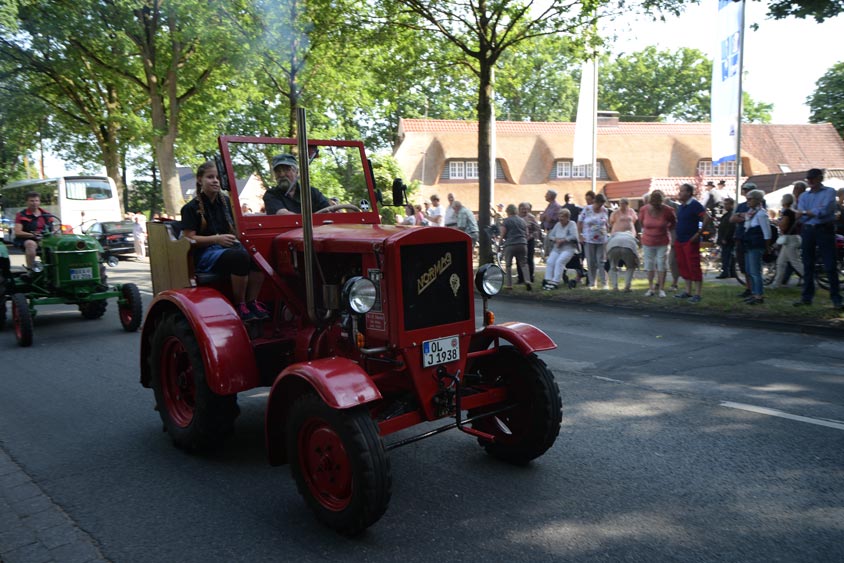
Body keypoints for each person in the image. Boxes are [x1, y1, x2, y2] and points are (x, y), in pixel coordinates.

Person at [181, 161, 269, 322]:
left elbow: (234, 229)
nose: (215, 181)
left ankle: (252, 302)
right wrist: (216, 239)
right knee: (239, 257)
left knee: (258, 255)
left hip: (226, 248)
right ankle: (240, 305)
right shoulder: (190, 208)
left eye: (218, 177)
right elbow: (189, 239)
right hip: (204, 254)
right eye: (210, 177)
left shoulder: (226, 203)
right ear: (200, 180)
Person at [794, 168, 842, 309]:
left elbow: (824, 211)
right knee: (807, 264)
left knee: (830, 265)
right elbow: (801, 215)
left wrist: (806, 213)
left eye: (812, 178)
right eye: (808, 178)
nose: (810, 181)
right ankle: (806, 297)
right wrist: (809, 213)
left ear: (820, 179)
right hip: (808, 230)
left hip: (824, 229)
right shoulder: (804, 196)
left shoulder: (829, 192)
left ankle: (836, 299)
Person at [673, 183, 711, 303]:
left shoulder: (695, 204)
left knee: (693, 265)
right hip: (680, 240)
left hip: (690, 240)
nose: (680, 193)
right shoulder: (681, 206)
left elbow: (707, 217)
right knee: (683, 265)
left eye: (682, 191)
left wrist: (699, 233)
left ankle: (697, 293)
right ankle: (687, 291)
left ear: (689, 192)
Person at [736, 189, 772, 305]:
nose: (748, 201)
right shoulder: (751, 213)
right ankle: (753, 293)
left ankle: (759, 295)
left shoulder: (761, 214)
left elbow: (767, 232)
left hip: (756, 245)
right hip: (749, 244)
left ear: (757, 200)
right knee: (749, 270)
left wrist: (767, 247)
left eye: (750, 199)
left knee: (755, 271)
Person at [263, 153, 330, 215]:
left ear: (296, 172)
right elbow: (283, 215)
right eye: (278, 171)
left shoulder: (312, 193)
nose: (282, 174)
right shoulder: (271, 194)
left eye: (286, 169)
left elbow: (329, 211)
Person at [638, 190, 676, 297]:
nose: (655, 206)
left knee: (661, 264)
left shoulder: (668, 210)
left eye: (658, 204)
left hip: (662, 241)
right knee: (649, 264)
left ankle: (661, 289)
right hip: (647, 241)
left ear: (661, 202)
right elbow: (641, 223)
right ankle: (651, 288)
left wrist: (669, 232)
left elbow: (673, 223)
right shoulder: (644, 209)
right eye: (653, 204)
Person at [14, 191, 58, 269]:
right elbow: (17, 232)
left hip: (45, 239)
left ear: (39, 202)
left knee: (61, 244)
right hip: (29, 239)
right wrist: (33, 235)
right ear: (27, 202)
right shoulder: (21, 215)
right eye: (32, 201)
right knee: (30, 244)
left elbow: (53, 230)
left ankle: (57, 269)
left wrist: (54, 232)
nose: (34, 203)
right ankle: (31, 270)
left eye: (36, 201)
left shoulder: (46, 214)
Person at [577, 192, 610, 289]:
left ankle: (605, 283)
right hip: (589, 239)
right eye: (599, 204)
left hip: (602, 239)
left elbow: (606, 223)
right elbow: (579, 223)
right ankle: (592, 283)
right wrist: (580, 235)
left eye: (602, 204)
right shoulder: (587, 209)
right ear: (595, 201)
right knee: (591, 262)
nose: (600, 206)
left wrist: (608, 231)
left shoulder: (605, 210)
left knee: (601, 261)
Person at [542, 208, 578, 290]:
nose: (560, 219)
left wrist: (563, 240)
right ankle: (548, 280)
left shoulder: (572, 224)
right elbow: (551, 235)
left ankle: (555, 281)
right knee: (550, 261)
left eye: (562, 217)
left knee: (559, 261)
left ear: (567, 217)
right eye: (559, 217)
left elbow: (574, 236)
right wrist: (556, 239)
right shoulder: (558, 225)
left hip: (568, 248)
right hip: (557, 248)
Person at [772, 193, 803, 287]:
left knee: (795, 262)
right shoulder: (793, 211)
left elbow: (783, 226)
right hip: (793, 238)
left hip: (790, 240)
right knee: (781, 262)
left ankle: (810, 280)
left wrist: (776, 222)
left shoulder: (787, 212)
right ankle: (776, 283)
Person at [500, 204, 531, 291]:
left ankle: (509, 284)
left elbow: (502, 234)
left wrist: (499, 245)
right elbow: (527, 233)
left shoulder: (506, 221)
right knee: (524, 263)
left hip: (510, 244)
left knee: (508, 265)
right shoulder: (522, 221)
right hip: (522, 243)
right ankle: (527, 280)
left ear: (508, 212)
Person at [517, 202, 540, 284]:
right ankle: (521, 278)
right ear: (519, 209)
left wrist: (531, 236)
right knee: (519, 259)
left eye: (527, 209)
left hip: (529, 240)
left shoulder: (531, 217)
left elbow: (537, 229)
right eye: (523, 209)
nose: (525, 211)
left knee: (529, 259)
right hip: (519, 241)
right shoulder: (516, 217)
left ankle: (530, 277)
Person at [715, 197, 736, 279]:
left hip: (728, 239)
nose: (725, 206)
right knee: (729, 256)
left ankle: (726, 272)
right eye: (724, 204)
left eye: (727, 204)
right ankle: (731, 272)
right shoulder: (728, 214)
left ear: (731, 205)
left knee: (726, 256)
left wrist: (725, 238)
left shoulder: (731, 214)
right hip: (726, 238)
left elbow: (730, 227)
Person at [539, 190, 561, 257]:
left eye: (547, 194)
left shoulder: (556, 207)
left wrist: (545, 216)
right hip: (548, 231)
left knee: (551, 250)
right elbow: (541, 218)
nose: (545, 196)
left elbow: (550, 219)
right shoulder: (549, 206)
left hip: (554, 231)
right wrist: (544, 216)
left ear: (551, 196)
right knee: (547, 250)